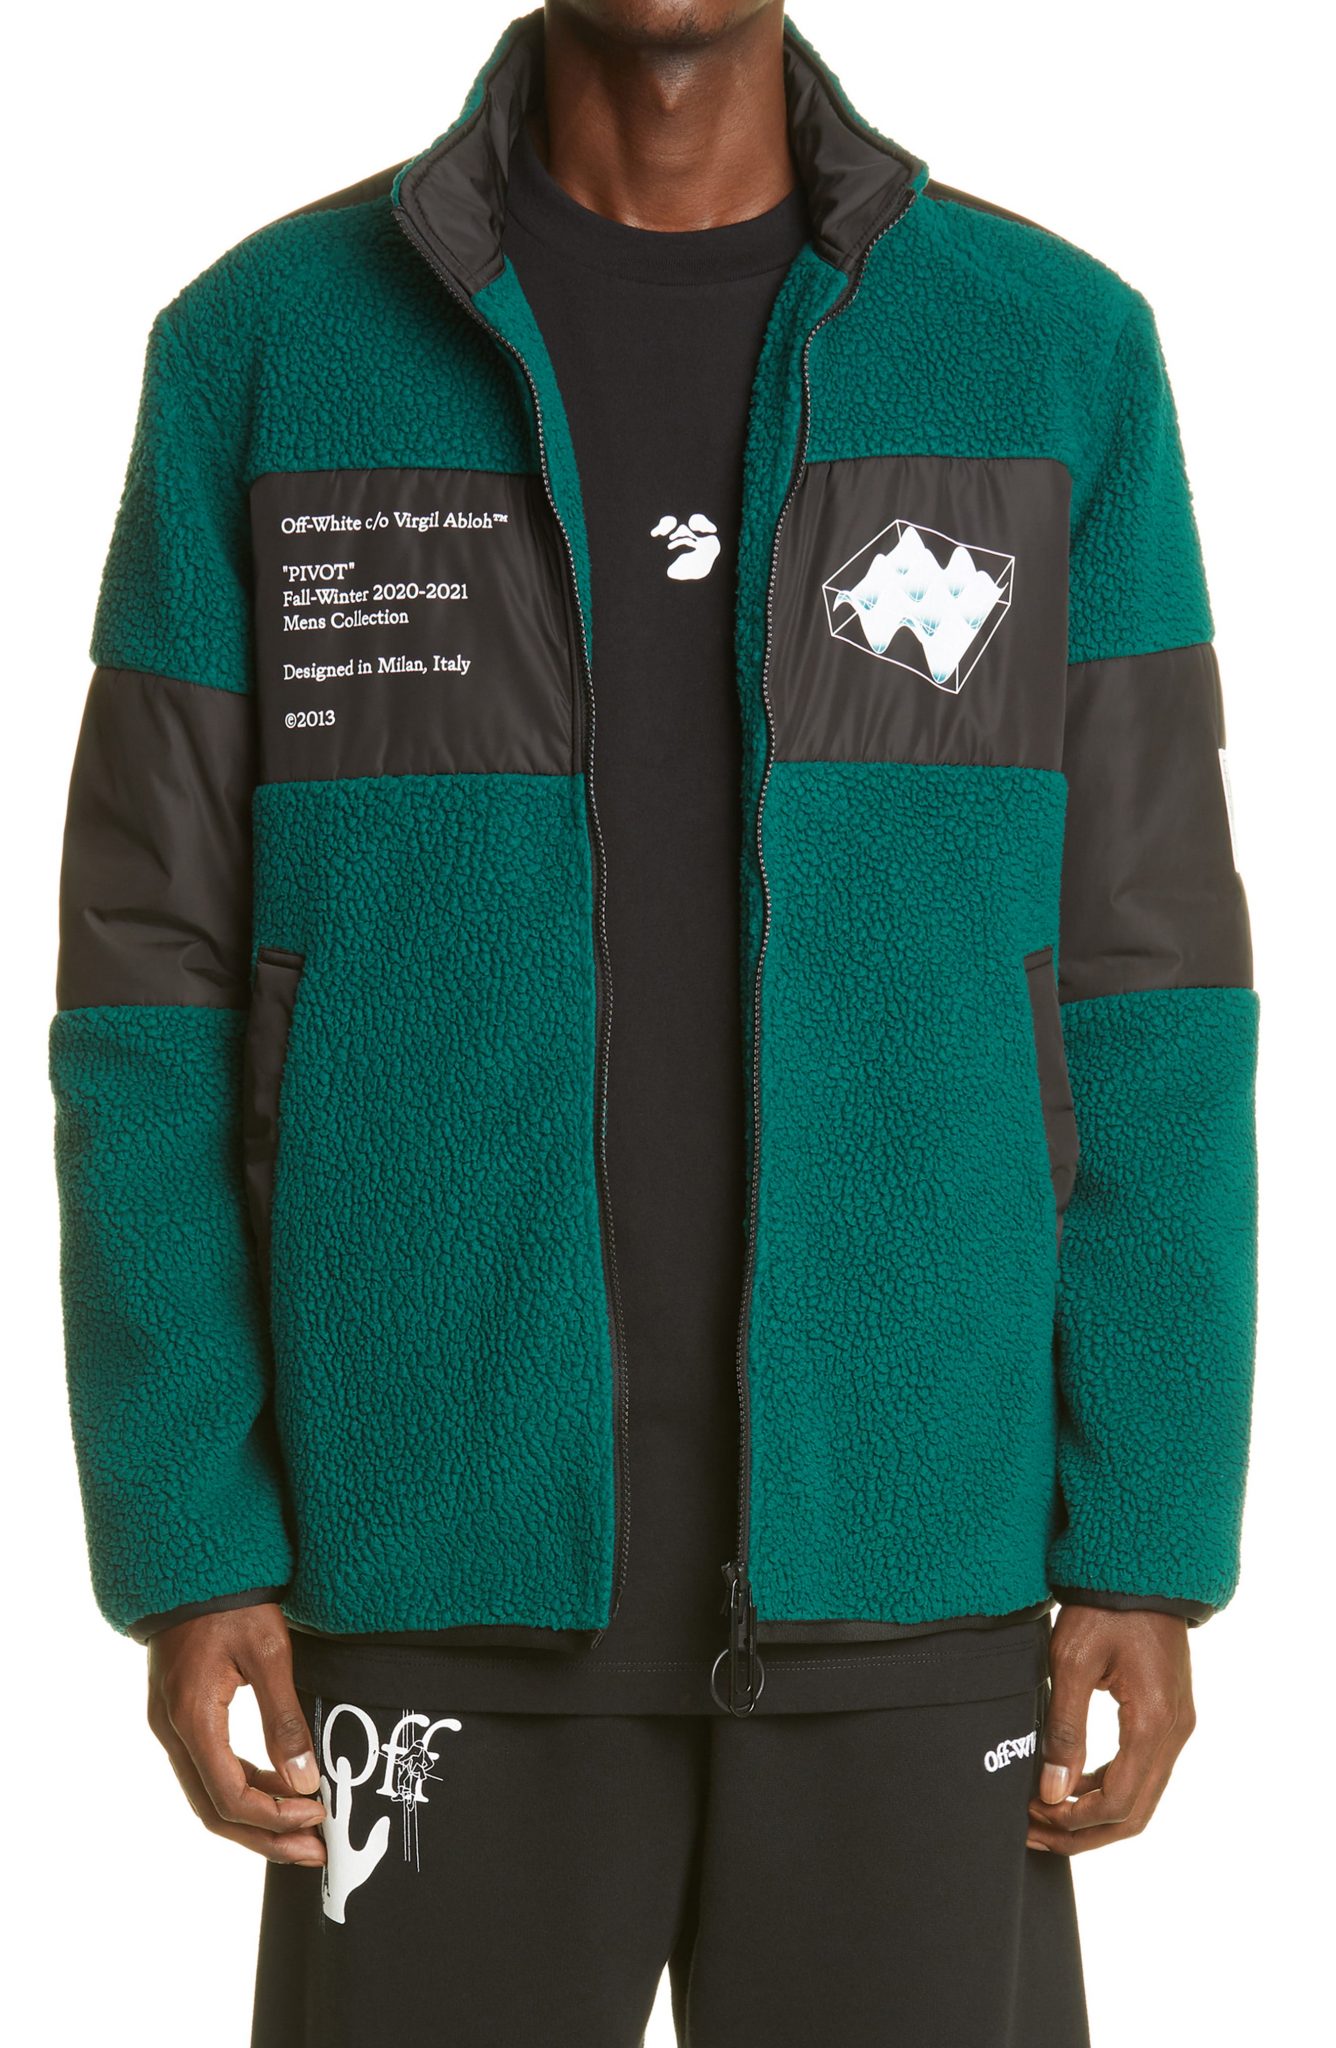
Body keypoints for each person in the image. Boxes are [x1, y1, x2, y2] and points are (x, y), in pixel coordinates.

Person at [50, 4, 1257, 2042]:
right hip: (425, 1562)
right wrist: (188, 1531)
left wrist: (1142, 1535)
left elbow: (1156, 984)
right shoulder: (265, 352)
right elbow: (143, 988)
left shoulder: (1051, 354)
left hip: (914, 1565)